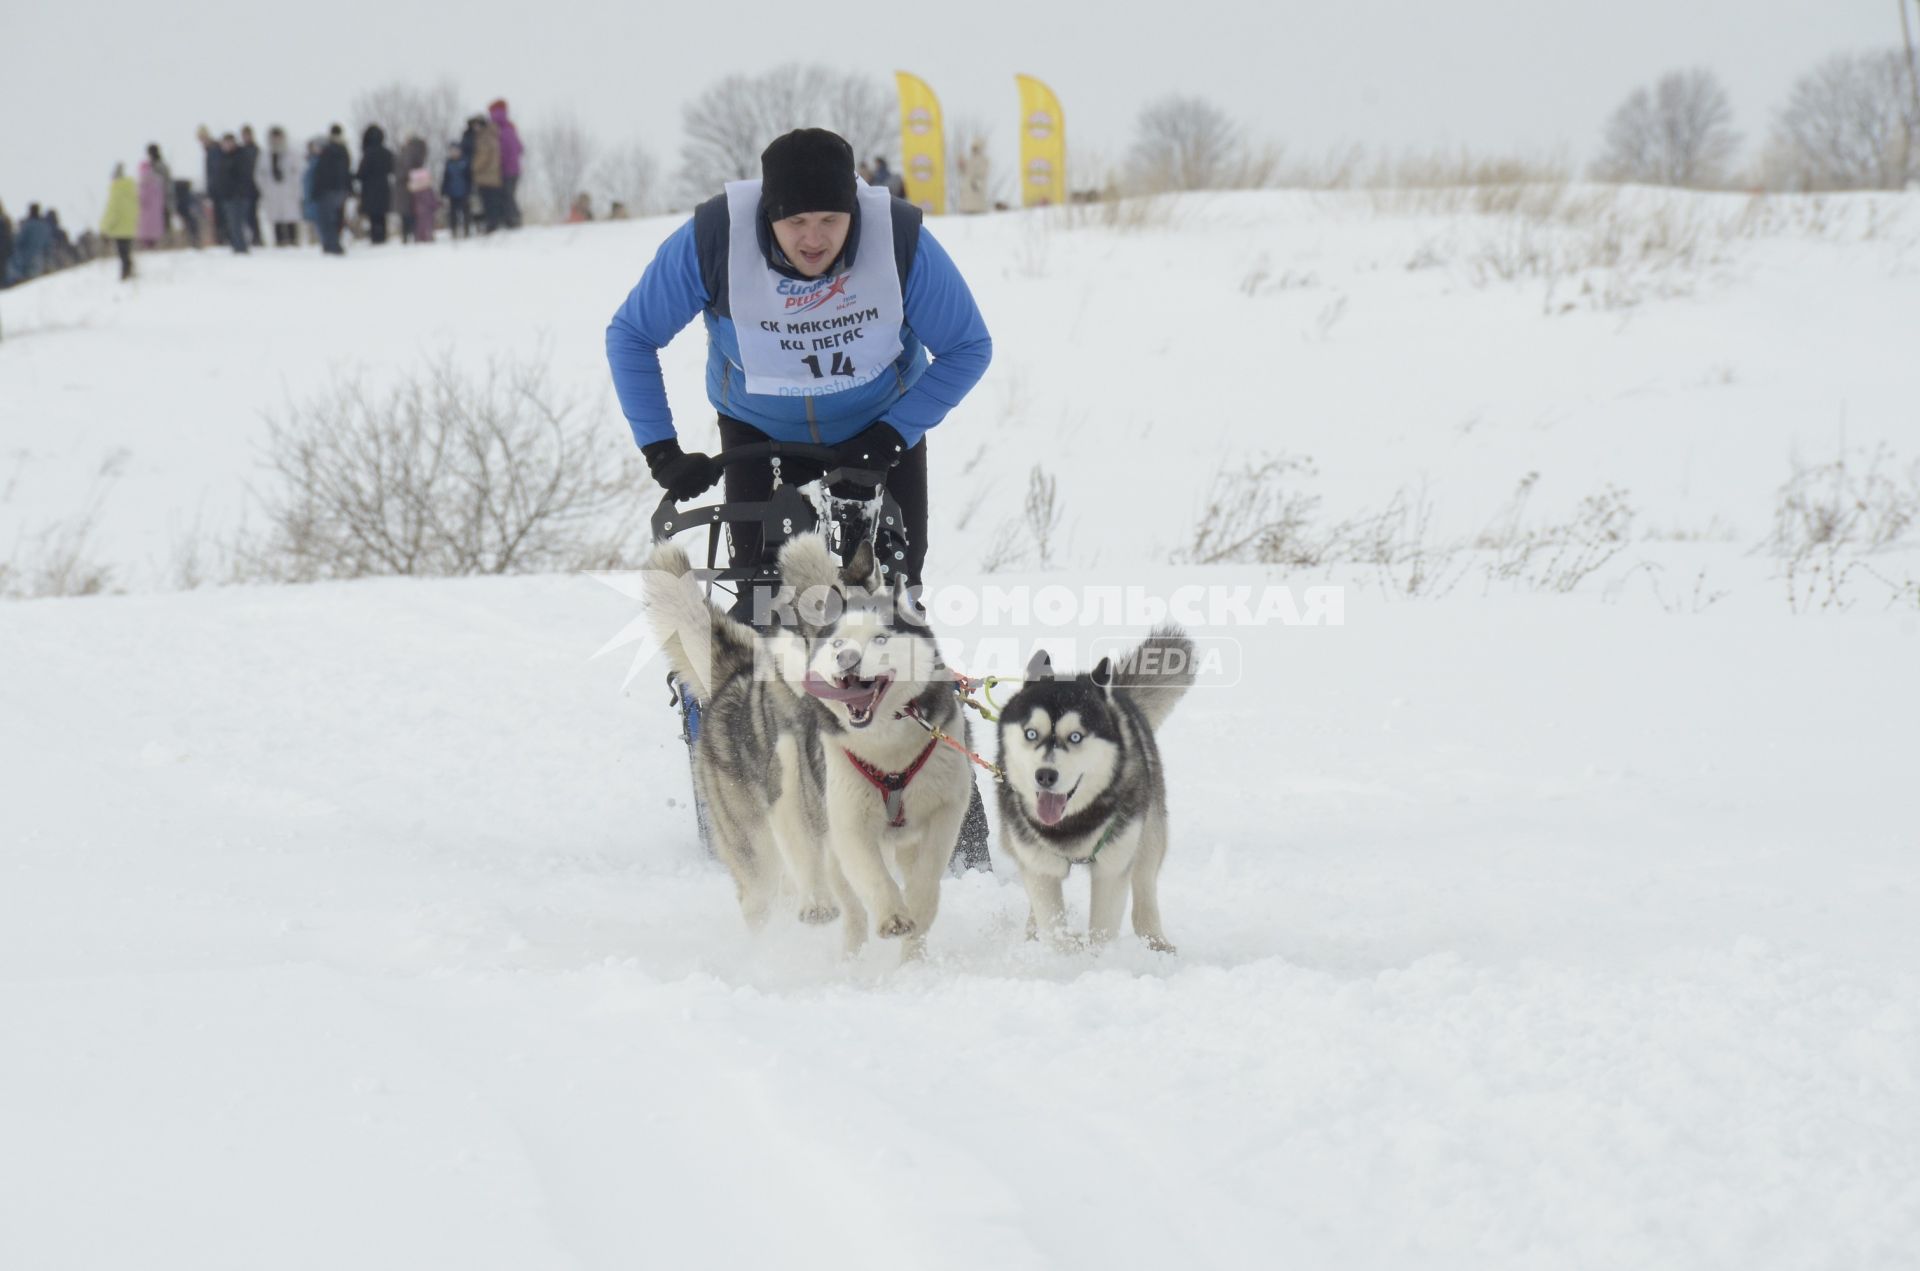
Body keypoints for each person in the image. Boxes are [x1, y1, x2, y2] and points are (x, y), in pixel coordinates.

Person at [605, 126, 992, 599]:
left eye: (831, 219)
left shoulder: (898, 242)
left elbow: (968, 347)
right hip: (759, 432)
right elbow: (632, 335)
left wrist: (893, 434)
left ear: (854, 211)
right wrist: (661, 450)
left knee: (891, 594)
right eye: (795, 222)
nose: (814, 239)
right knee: (764, 598)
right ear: (767, 217)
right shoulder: (714, 240)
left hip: (878, 427)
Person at [259, 126, 304, 246]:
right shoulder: (265, 155)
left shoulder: (292, 153)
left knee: (291, 217)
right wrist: (265, 189)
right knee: (276, 218)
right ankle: (279, 241)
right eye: (274, 138)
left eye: (278, 137)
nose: (276, 140)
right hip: (272, 192)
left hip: (289, 191)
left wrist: (295, 187)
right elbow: (259, 174)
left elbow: (299, 171)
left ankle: (293, 241)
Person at [312, 125, 352, 255]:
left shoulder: (328, 152)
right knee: (335, 219)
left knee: (327, 219)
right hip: (339, 189)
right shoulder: (343, 150)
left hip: (328, 190)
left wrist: (317, 190)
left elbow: (322, 174)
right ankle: (332, 244)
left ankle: (332, 245)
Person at [100, 164, 140, 280]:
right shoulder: (132, 189)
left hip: (120, 228)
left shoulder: (116, 191)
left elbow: (111, 211)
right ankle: (130, 271)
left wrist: (104, 228)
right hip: (131, 225)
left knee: (123, 253)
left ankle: (125, 275)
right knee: (127, 251)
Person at [356, 125, 394, 245]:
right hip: (383, 187)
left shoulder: (368, 153)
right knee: (381, 216)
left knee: (374, 216)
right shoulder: (387, 153)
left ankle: (376, 238)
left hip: (370, 189)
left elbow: (361, 173)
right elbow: (392, 168)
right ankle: (382, 237)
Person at [489, 99, 524, 228]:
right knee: (508, 195)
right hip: (514, 168)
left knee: (507, 195)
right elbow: (520, 148)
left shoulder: (498, 129)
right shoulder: (510, 127)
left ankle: (513, 220)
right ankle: (511, 219)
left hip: (505, 169)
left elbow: (502, 150)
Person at [468, 114, 505, 233]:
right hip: (493, 175)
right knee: (492, 202)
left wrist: (473, 167)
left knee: (488, 202)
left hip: (486, 176)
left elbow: (483, 156)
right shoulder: (493, 135)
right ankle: (494, 224)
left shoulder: (484, 137)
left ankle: (492, 226)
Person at [217, 134, 250, 253]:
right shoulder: (222, 157)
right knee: (231, 223)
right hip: (227, 196)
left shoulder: (240, 156)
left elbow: (244, 176)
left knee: (239, 223)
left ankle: (242, 247)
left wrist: (239, 191)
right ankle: (236, 246)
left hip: (239, 196)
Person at [197, 126, 226, 245]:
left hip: (219, 190)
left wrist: (212, 190)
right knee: (217, 218)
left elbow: (215, 172)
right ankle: (220, 240)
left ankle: (223, 240)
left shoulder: (214, 150)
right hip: (216, 190)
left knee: (221, 218)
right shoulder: (210, 150)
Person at [441, 140, 472, 238]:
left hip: (464, 191)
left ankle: (467, 230)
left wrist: (470, 189)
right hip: (452, 192)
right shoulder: (448, 163)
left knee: (465, 212)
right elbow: (445, 178)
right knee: (453, 213)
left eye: (456, 150)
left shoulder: (465, 162)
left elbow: (469, 177)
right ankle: (454, 231)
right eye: (452, 151)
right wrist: (443, 191)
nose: (454, 152)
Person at [238, 125, 264, 246]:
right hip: (243, 188)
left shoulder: (257, 150)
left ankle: (257, 238)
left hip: (255, 187)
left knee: (253, 215)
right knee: (246, 215)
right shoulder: (240, 151)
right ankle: (252, 237)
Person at [136, 156, 165, 248]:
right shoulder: (156, 180)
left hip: (146, 211)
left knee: (146, 232)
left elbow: (142, 197)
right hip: (156, 211)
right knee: (154, 233)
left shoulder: (144, 181)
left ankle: (148, 247)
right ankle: (154, 246)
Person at [146, 144, 174, 240]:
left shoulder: (158, 166)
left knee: (165, 224)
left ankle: (168, 242)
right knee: (163, 225)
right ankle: (167, 242)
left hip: (162, 200)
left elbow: (164, 184)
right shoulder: (158, 165)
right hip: (160, 201)